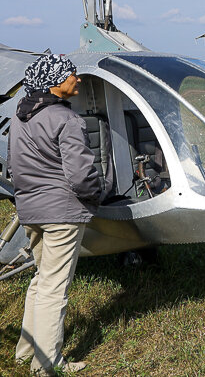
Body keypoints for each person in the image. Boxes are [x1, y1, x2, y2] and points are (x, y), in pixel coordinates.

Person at [8, 54, 104, 375]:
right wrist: (98, 196)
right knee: (55, 288)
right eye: (72, 74)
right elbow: (80, 176)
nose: (77, 78)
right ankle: (47, 364)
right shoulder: (67, 120)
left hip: (30, 211)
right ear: (55, 82)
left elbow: (15, 168)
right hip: (62, 213)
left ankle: (25, 352)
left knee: (40, 280)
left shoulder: (21, 117)